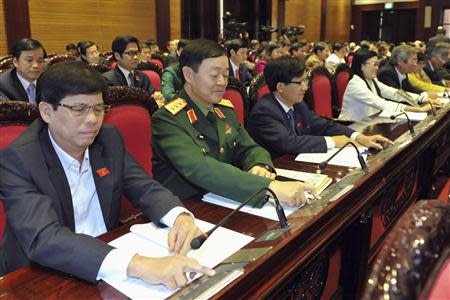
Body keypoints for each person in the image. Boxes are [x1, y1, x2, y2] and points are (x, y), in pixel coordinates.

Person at [0, 61, 214, 289]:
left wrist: (179, 217)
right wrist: (141, 265)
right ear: (46, 111)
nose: (92, 119)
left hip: (109, 260)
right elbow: (45, 238)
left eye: (99, 108)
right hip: (41, 275)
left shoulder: (107, 138)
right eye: (79, 109)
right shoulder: (19, 159)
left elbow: (144, 187)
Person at [152, 39, 317, 208]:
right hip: (188, 208)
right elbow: (201, 168)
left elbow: (250, 148)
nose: (222, 82)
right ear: (188, 75)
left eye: (225, 75)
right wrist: (269, 187)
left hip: (227, 199)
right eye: (214, 75)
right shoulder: (167, 120)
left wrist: (259, 165)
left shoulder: (224, 110)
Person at [248, 56, 392, 159]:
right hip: (277, 170)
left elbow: (324, 125)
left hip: (299, 162)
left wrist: (359, 137)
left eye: (306, 80)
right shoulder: (264, 111)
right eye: (300, 82)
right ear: (280, 87)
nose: (306, 87)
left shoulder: (298, 104)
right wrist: (334, 141)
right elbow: (289, 143)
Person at [338, 49, 438, 122]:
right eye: (374, 64)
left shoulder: (372, 80)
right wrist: (418, 110)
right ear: (361, 65)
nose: (377, 68)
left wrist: (423, 99)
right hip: (352, 125)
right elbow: (381, 103)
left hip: (370, 122)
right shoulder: (355, 85)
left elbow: (394, 93)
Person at [103, 35, 165, 104]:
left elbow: (152, 96)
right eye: (130, 53)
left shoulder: (143, 77)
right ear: (117, 55)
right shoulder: (107, 80)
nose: (135, 57)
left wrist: (157, 99)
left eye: (136, 53)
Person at [0, 38, 46, 103]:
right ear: (15, 62)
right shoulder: (3, 85)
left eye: (40, 61)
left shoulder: (49, 80)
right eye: (29, 60)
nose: (36, 65)